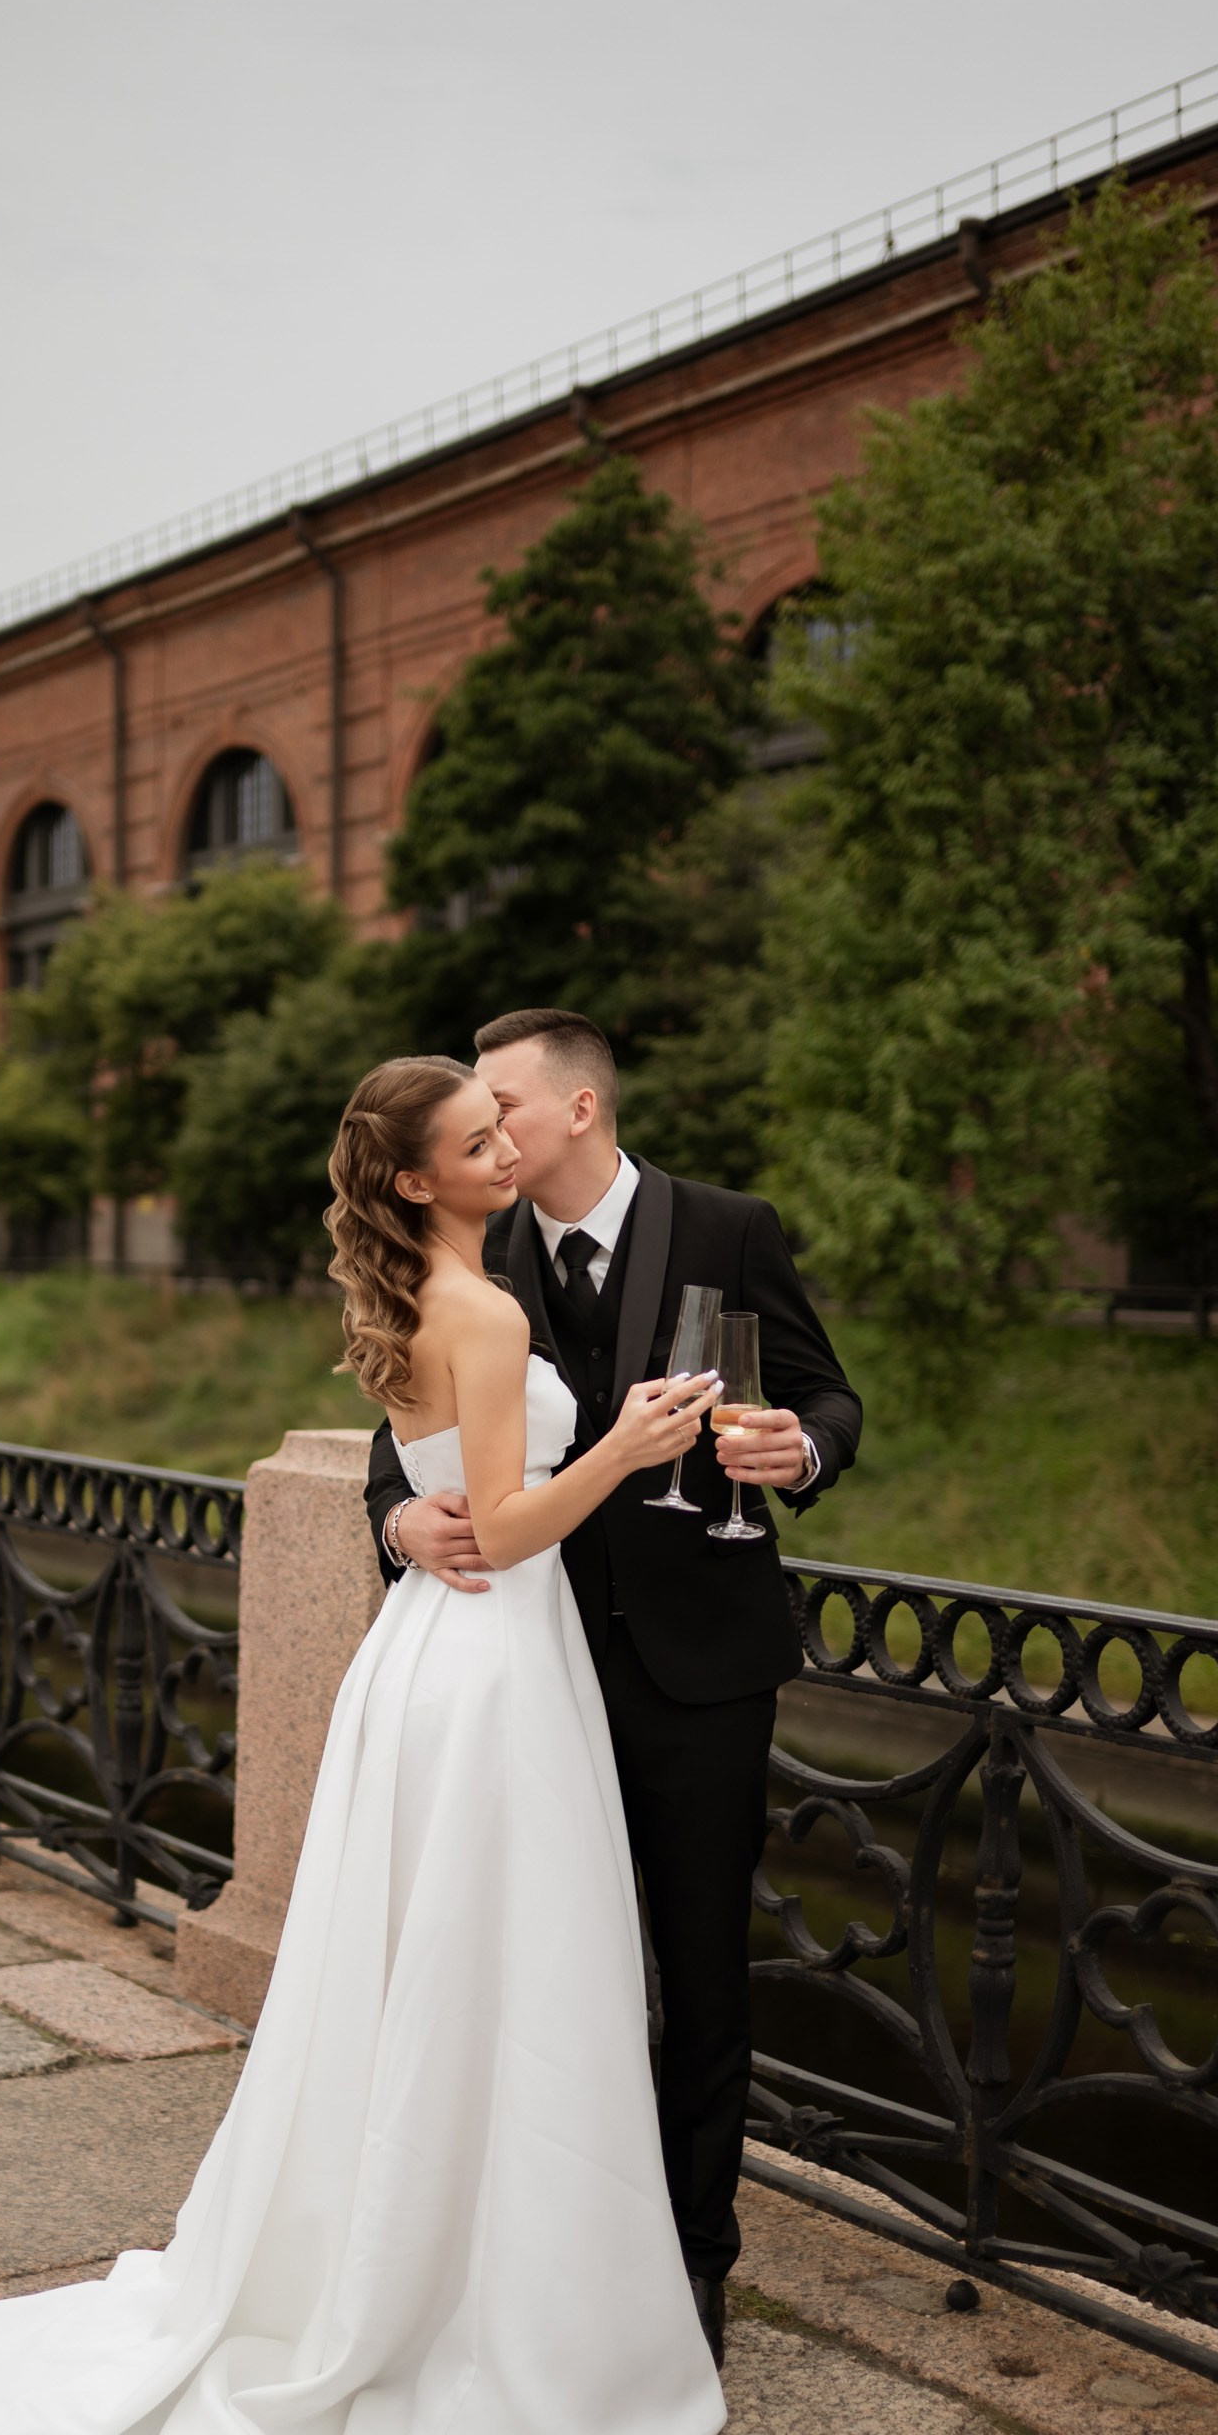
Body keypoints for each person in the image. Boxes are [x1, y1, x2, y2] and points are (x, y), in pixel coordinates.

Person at [0, 1053, 727, 2435]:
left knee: (444, 1974)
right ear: (412, 1181)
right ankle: (495, 2304)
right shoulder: (490, 1309)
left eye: (502, 1122)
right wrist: (628, 1444)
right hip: (495, 1663)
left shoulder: (425, 1301)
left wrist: (425, 1500)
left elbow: (443, 1483)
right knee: (502, 1971)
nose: (506, 1144)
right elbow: (501, 1530)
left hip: (431, 1664)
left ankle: (445, 2260)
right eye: (473, 1136)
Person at [366, 1010, 861, 2360]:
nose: (487, 1129)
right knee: (547, 1973)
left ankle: (696, 2267)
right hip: (536, 1669)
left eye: (503, 1106)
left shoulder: (728, 1227)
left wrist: (794, 1457)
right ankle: (548, 2254)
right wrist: (400, 1526)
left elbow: (830, 1399)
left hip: (701, 1670)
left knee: (702, 1975)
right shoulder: (479, 1249)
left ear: (580, 1107)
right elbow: (402, 1443)